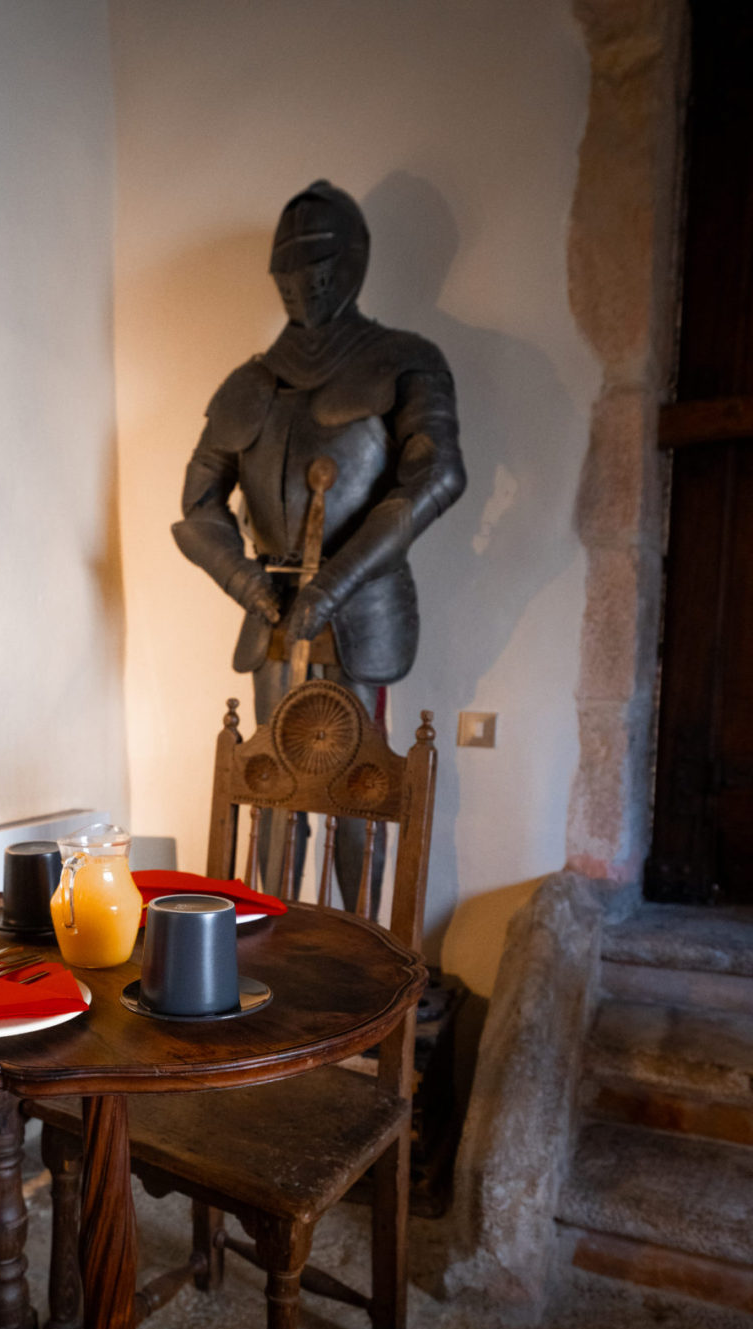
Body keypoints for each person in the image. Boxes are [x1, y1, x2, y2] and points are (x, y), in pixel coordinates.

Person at [172, 180, 466, 906]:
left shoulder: (403, 359)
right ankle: (272, 937)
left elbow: (436, 475)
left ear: (352, 260)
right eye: (292, 267)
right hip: (271, 607)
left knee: (361, 786)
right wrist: (247, 583)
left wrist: (335, 583)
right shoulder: (249, 384)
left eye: (318, 264)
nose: (304, 283)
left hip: (362, 600)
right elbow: (198, 506)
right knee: (273, 785)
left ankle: (362, 950)